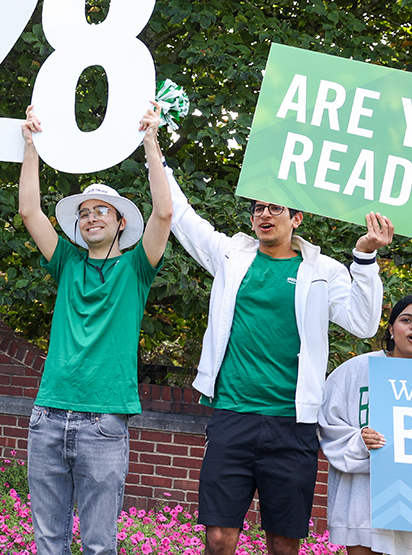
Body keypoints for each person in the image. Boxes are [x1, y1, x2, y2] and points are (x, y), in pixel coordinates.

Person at [166, 146, 394, 555]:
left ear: (297, 218)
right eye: (257, 208)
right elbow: (182, 219)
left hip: (293, 425)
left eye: (275, 208)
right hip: (233, 415)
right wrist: (155, 153)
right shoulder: (232, 257)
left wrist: (365, 256)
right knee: (218, 538)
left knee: (284, 543)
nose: (264, 215)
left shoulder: (322, 271)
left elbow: (363, 323)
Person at [16, 103, 171, 555]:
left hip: (104, 421)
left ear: (121, 222)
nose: (91, 217)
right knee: (48, 543)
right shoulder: (67, 262)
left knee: (100, 546)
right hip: (47, 416)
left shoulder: (136, 268)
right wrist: (30, 146)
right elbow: (29, 211)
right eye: (84, 213)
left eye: (102, 210)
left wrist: (150, 141)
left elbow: (163, 214)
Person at [319, 293, 412, 555]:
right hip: (364, 496)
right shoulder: (357, 370)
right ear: (391, 329)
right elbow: (328, 423)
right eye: (406, 319)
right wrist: (359, 440)